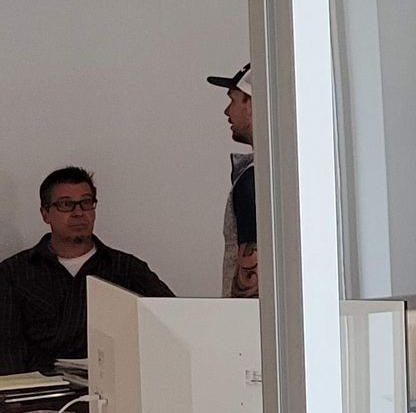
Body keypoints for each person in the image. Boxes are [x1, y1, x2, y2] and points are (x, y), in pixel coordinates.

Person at [0, 168, 173, 373]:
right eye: (66, 204)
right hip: (40, 394)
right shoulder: (14, 272)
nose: (78, 212)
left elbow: (172, 321)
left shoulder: (126, 269)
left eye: (86, 202)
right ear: (45, 214)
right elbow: (8, 350)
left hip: (114, 387)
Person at [208, 62, 258, 298]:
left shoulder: (253, 180)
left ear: (252, 103)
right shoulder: (293, 173)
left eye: (233, 99)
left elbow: (250, 279)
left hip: (250, 324)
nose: (227, 111)